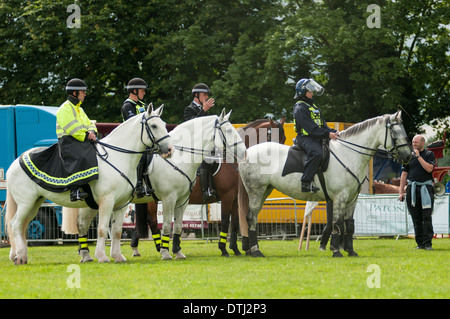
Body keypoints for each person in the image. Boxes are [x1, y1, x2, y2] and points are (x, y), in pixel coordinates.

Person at [293, 78, 339, 193]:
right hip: (305, 138)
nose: (312, 93)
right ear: (303, 92)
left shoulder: (313, 107)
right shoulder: (300, 108)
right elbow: (311, 129)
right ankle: (306, 183)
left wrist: (334, 131)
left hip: (316, 136)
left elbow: (323, 125)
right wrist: (328, 134)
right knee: (316, 153)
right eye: (310, 91)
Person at [56, 78, 98, 201]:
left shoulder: (80, 109)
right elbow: (72, 128)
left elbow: (89, 123)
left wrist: (92, 132)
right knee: (80, 155)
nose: (85, 94)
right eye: (82, 92)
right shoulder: (64, 108)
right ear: (75, 93)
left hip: (80, 138)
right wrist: (87, 135)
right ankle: (74, 191)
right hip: (68, 141)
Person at [399, 134, 435, 250]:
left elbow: (429, 169)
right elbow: (404, 175)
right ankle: (419, 243)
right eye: (413, 142)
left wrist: (419, 157)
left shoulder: (429, 154)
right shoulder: (408, 156)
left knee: (427, 217)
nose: (413, 144)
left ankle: (427, 243)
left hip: (426, 189)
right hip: (412, 189)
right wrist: (401, 192)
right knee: (416, 218)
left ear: (422, 143)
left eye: (416, 142)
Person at [183, 83, 216, 202]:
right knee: (206, 161)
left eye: (207, 95)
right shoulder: (188, 109)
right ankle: (205, 191)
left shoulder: (203, 108)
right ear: (196, 95)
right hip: (193, 145)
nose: (206, 97)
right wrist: (204, 110)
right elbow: (193, 126)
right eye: (204, 94)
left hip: (205, 143)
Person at [121, 77, 153, 198]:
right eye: (142, 90)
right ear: (134, 91)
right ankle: (139, 184)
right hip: (132, 140)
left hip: (143, 139)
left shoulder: (143, 105)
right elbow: (134, 124)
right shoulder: (127, 106)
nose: (144, 93)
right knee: (142, 156)